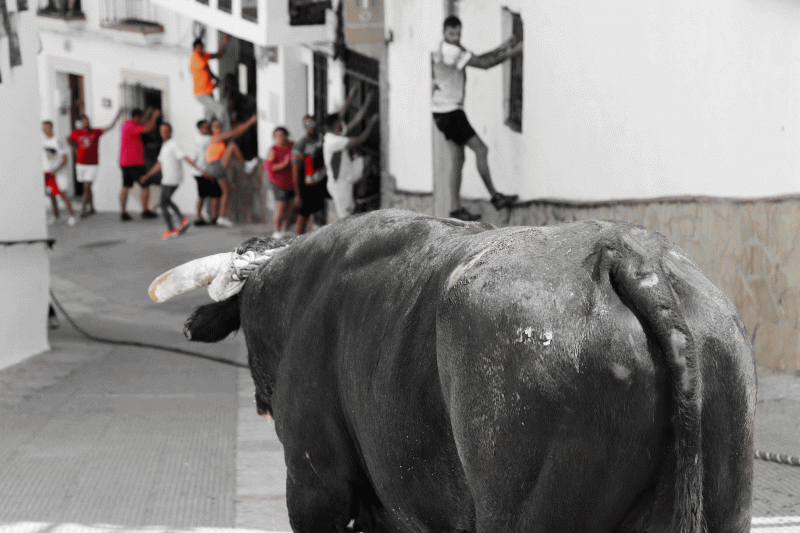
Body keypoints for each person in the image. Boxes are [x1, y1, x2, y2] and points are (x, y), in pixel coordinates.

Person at [432, 15, 522, 221]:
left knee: (458, 158)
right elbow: (484, 64)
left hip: (441, 112)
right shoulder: (451, 51)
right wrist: (514, 52)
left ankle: (455, 208)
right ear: (444, 33)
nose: (455, 37)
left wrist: (503, 46)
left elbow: (480, 57)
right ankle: (495, 197)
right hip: (451, 112)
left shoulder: (446, 48)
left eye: (458, 34)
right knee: (481, 149)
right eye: (451, 34)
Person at [139, 122, 210, 239]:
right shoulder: (165, 145)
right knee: (166, 201)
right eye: (161, 130)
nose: (163, 132)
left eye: (166, 130)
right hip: (167, 178)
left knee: (163, 203)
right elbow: (159, 164)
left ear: (170, 132)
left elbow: (185, 158)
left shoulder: (173, 145)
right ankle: (182, 220)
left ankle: (172, 228)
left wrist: (201, 170)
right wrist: (147, 176)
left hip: (172, 178)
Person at [323, 105, 380, 219]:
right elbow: (360, 140)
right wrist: (372, 123)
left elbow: (356, 120)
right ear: (335, 124)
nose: (342, 123)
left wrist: (367, 101)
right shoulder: (334, 141)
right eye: (340, 122)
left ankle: (361, 193)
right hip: (340, 184)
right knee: (346, 217)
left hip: (349, 172)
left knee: (368, 160)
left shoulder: (333, 135)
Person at [67, 109, 123, 217]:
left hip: (92, 164)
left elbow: (109, 127)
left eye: (87, 120)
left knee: (87, 187)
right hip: (80, 164)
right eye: (84, 121)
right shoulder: (76, 133)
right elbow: (68, 139)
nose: (86, 122)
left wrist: (117, 117)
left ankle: (83, 208)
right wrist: (75, 149)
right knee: (88, 187)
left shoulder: (95, 132)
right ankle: (92, 207)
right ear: (80, 123)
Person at [205, 114, 258, 227]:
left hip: (213, 167)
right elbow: (236, 133)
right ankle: (246, 166)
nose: (217, 128)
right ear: (212, 129)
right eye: (215, 126)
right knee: (233, 146)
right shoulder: (217, 137)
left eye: (219, 126)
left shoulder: (217, 139)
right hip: (215, 166)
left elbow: (235, 131)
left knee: (226, 191)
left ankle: (220, 217)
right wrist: (251, 121)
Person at [119, 107, 161, 221]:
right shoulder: (131, 126)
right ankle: (145, 210)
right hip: (134, 162)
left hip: (125, 162)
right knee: (145, 184)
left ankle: (123, 213)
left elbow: (142, 122)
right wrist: (154, 117)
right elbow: (148, 128)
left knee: (126, 187)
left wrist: (147, 114)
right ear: (136, 117)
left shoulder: (126, 124)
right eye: (140, 118)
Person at [291, 115, 329, 235]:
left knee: (319, 210)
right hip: (306, 185)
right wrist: (297, 194)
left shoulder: (322, 138)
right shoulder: (300, 145)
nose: (311, 127)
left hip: (321, 181)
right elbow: (295, 171)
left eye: (312, 124)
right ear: (304, 127)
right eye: (308, 125)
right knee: (304, 213)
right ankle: (298, 241)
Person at [191, 34, 230, 132]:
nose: (200, 50)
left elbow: (219, 54)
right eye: (198, 48)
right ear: (194, 49)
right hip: (202, 94)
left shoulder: (203, 55)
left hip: (208, 93)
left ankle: (211, 136)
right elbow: (207, 69)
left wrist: (225, 41)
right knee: (221, 110)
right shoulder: (195, 57)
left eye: (201, 48)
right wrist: (216, 79)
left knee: (209, 118)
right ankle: (226, 132)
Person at [41, 120, 77, 226]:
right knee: (52, 195)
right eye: (42, 128)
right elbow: (48, 158)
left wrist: (56, 170)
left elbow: (65, 158)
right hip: (49, 173)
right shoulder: (44, 142)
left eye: (45, 128)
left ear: (51, 128)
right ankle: (56, 216)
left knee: (62, 195)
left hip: (60, 173)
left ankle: (72, 216)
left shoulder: (58, 140)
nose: (44, 130)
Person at [264, 126, 296, 238]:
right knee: (281, 206)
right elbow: (269, 168)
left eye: (282, 135)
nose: (280, 138)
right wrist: (284, 164)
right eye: (277, 136)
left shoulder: (292, 146)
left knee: (290, 206)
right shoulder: (273, 150)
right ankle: (276, 230)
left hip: (291, 183)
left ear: (286, 136)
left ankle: (285, 229)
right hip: (278, 183)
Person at [191, 120, 221, 226]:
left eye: (208, 127)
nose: (207, 129)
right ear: (199, 128)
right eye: (205, 127)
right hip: (205, 171)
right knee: (212, 194)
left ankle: (202, 217)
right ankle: (211, 217)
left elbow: (194, 158)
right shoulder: (208, 139)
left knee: (206, 195)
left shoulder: (197, 139)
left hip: (201, 171)